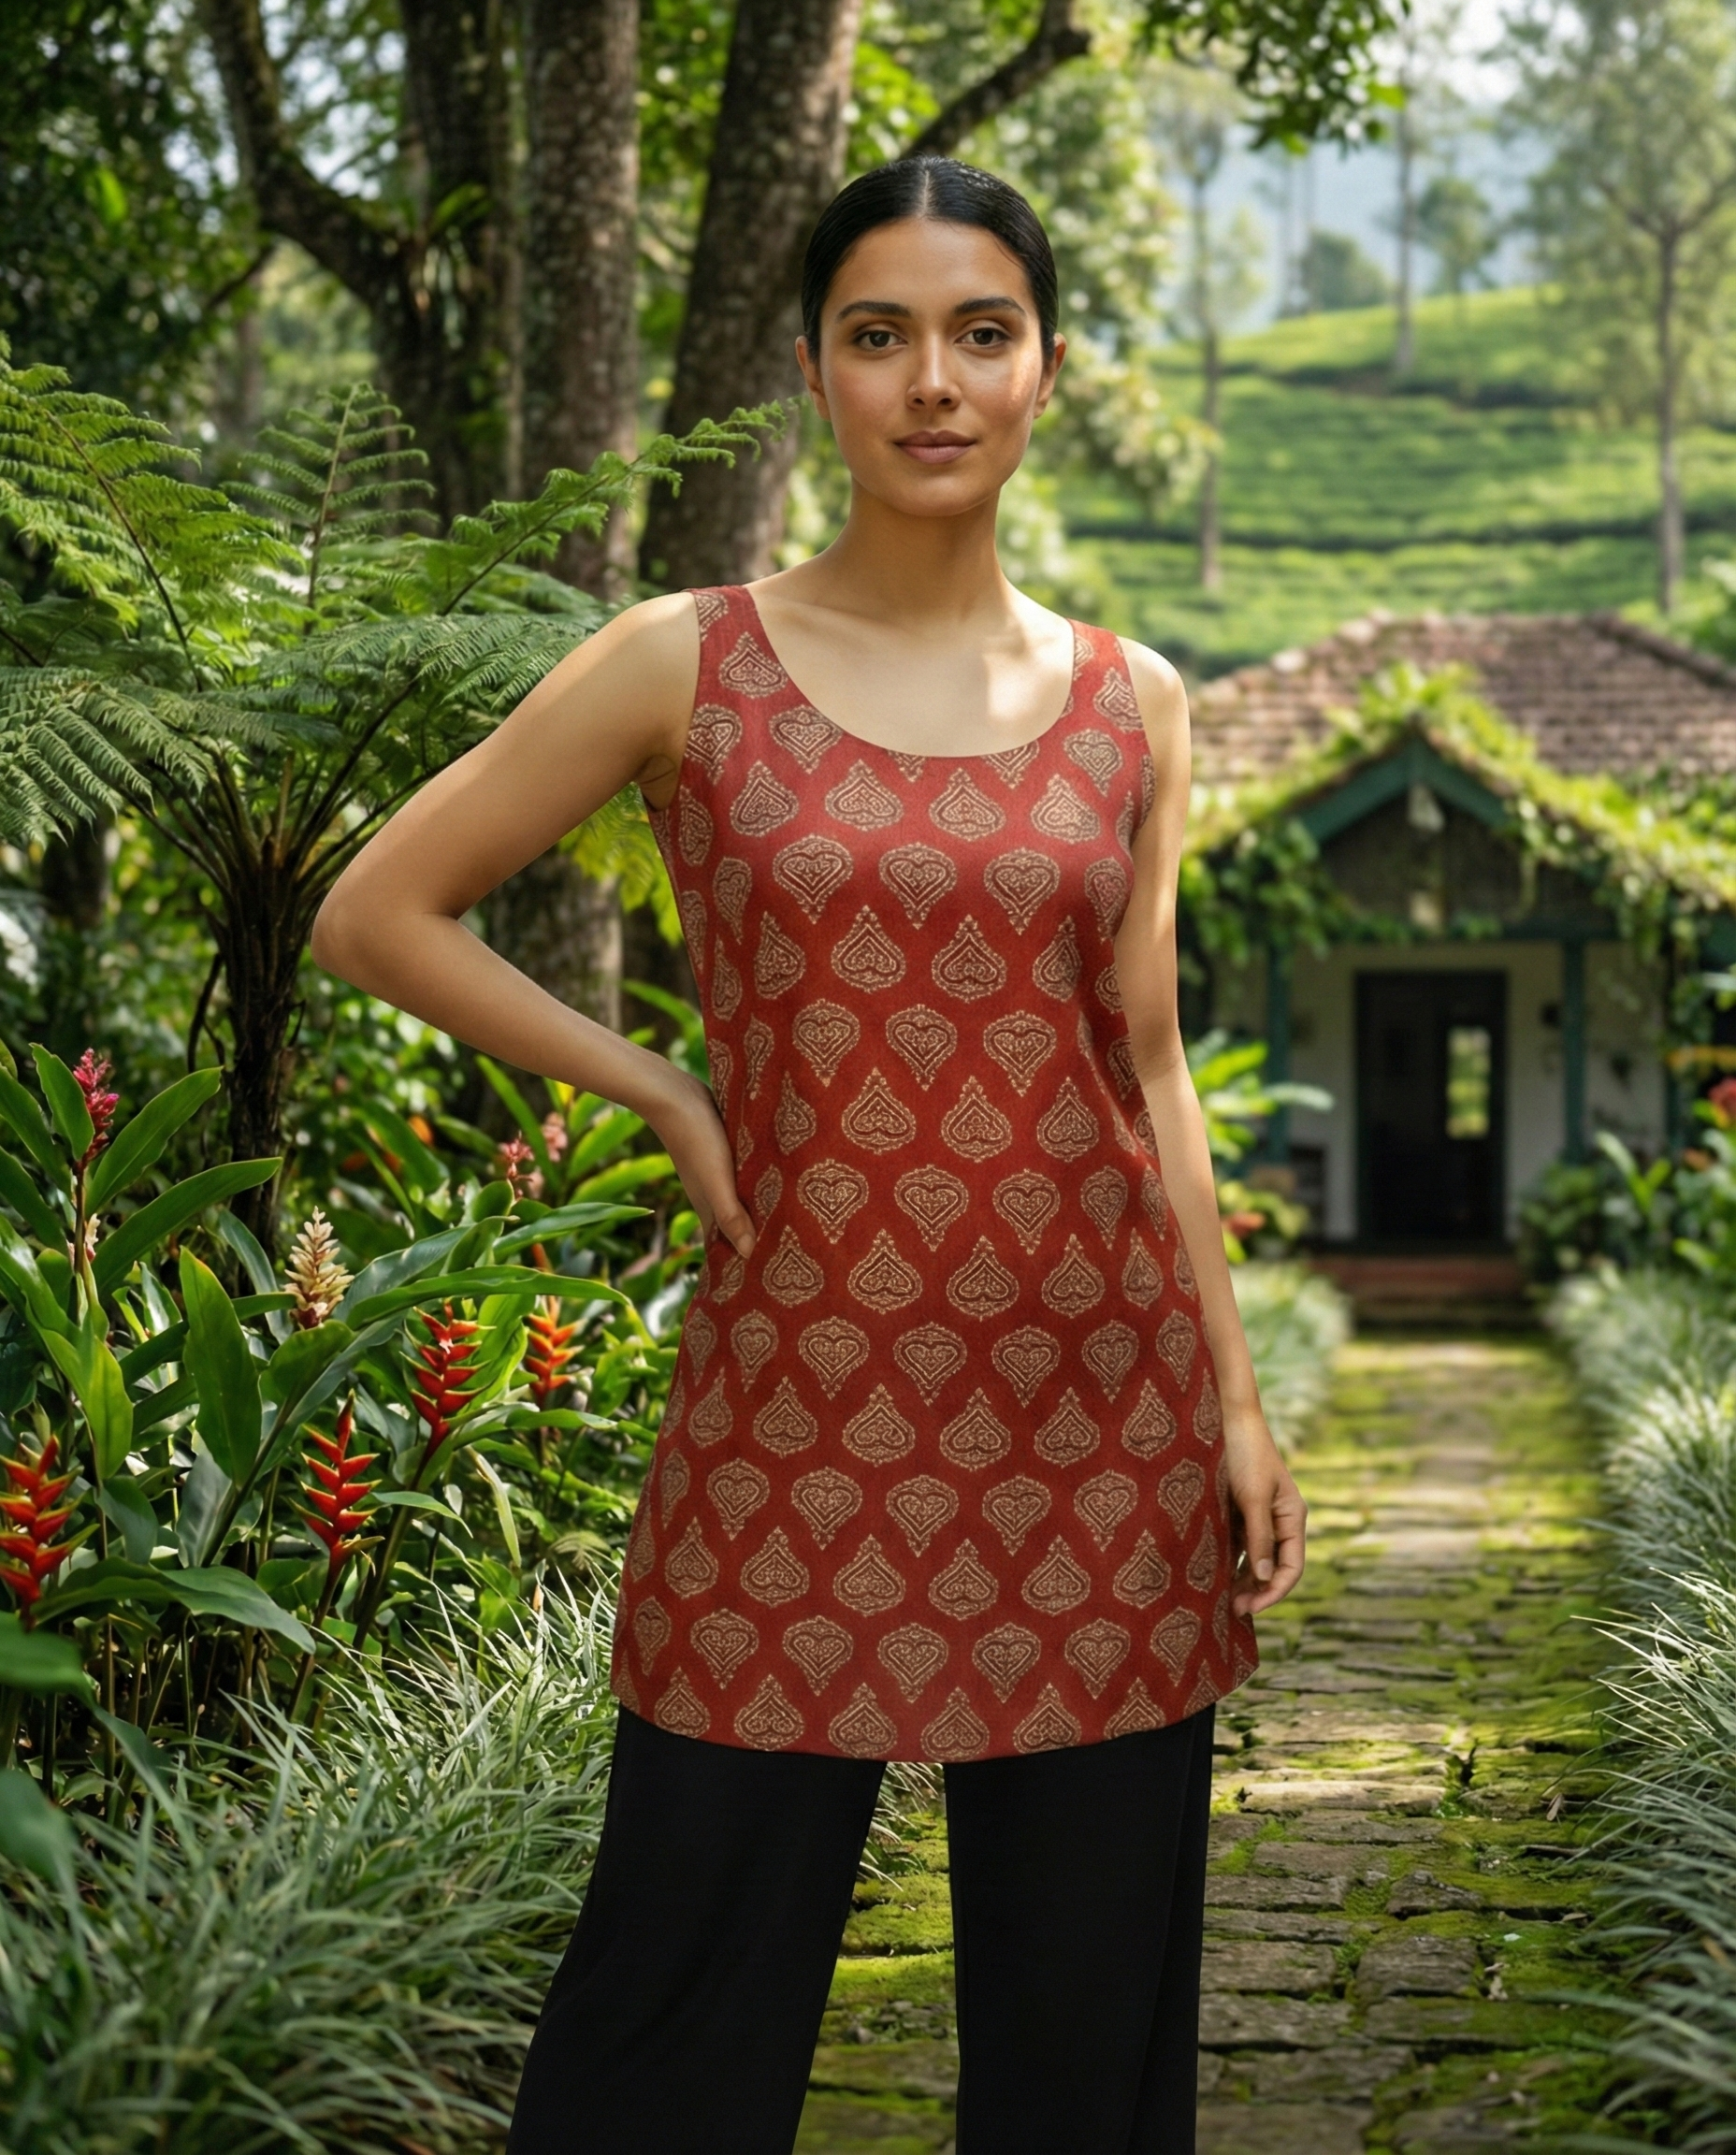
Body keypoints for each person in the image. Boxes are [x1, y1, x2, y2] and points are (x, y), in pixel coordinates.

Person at [312, 154, 1306, 2155]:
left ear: (1045, 372)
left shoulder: (1136, 705)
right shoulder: (686, 658)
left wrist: (1233, 1391)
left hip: (1095, 1424)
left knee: (1088, 2048)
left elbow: (1147, 1055)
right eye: (880, 336)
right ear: (815, 374)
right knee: (669, 2018)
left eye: (978, 332)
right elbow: (376, 911)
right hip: (794, 1418)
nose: (931, 380)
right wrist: (671, 1092)